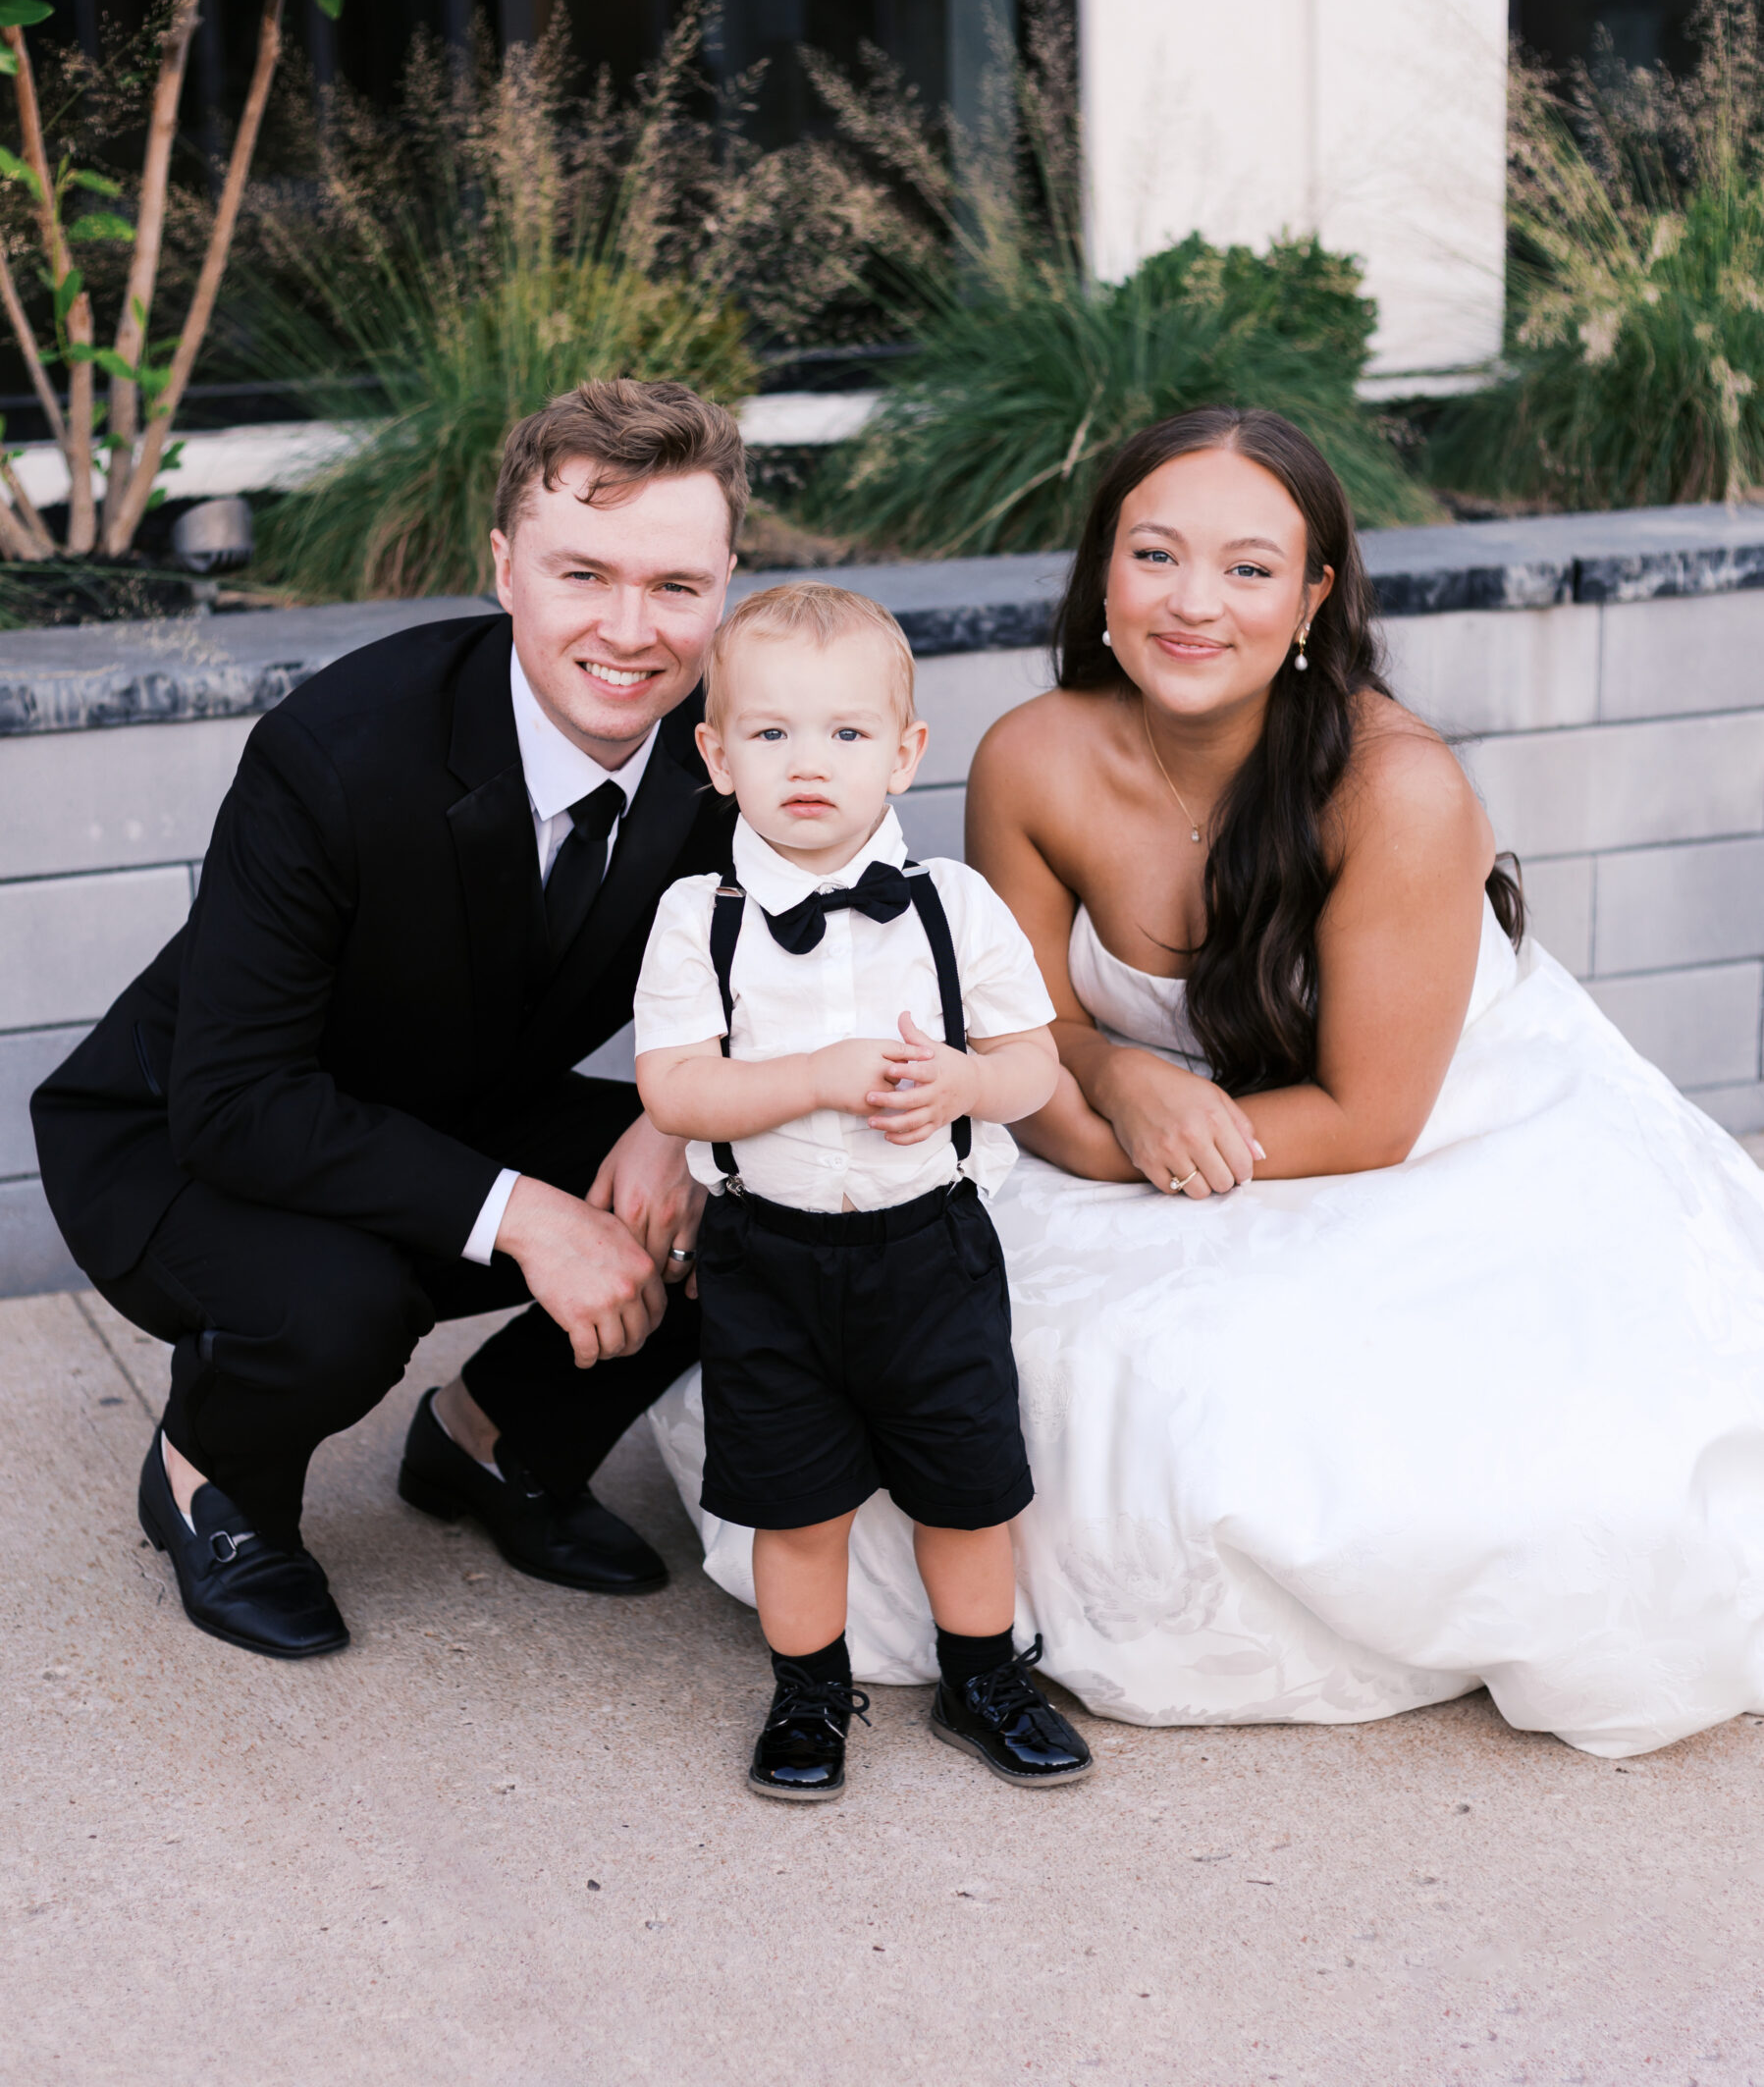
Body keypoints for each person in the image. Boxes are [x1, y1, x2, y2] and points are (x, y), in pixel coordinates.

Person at [651, 406, 1764, 1761]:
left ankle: (1002, 1661)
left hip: (1423, 1134)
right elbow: (1028, 1029)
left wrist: (1122, 1131)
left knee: (1252, 1402)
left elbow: (1367, 1115)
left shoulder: (1393, 787)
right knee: (951, 1332)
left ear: (1311, 600)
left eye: (1247, 570)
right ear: (1102, 580)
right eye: (1155, 556)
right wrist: (1117, 1077)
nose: (1192, 604)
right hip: (1135, 1126)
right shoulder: (1033, 757)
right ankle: (848, 1666)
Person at [31, 380, 745, 1661]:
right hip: (189, 1133)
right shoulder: (338, 753)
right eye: (582, 573)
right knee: (337, 1309)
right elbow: (237, 1101)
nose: (630, 632)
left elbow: (788, 971)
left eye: (675, 587)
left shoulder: (730, 744)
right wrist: (532, 1219)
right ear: (504, 571)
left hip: (445, 1098)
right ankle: (213, 1477)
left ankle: (491, 1441)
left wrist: (670, 1118)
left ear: (726, 587)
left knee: (762, 1190)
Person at [633, 582, 1093, 1798]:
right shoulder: (698, 919)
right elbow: (677, 1090)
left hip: (930, 1252)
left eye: (846, 734)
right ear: (716, 756)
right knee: (797, 1504)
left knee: (966, 1485)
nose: (808, 764)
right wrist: (813, 1078)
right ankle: (809, 1690)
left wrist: (961, 1082)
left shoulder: (956, 906)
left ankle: (982, 1672)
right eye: (771, 734)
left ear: (905, 752)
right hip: (767, 1262)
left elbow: (1034, 1062)